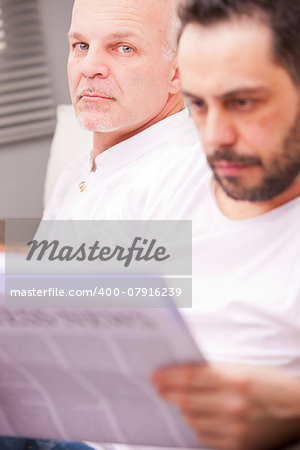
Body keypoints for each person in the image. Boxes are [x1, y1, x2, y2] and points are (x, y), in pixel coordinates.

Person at [153, 0, 300, 449]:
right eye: (197, 104)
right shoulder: (174, 176)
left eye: (242, 102)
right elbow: (64, 274)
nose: (215, 136)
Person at [43, 0, 204, 221]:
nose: (89, 68)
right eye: (81, 45)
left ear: (177, 73)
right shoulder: (75, 173)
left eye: (124, 48)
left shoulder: (188, 182)